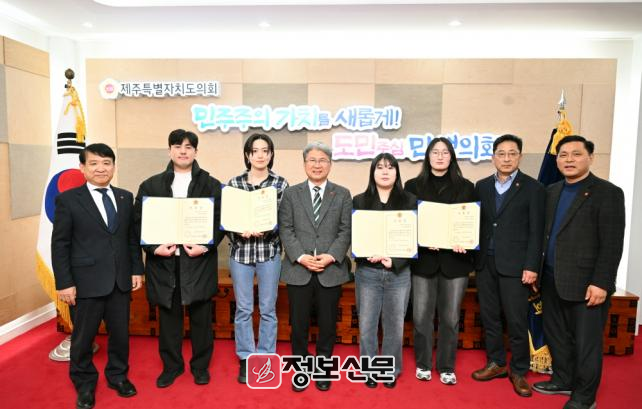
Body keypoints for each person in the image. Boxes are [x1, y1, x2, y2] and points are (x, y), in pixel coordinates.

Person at [533, 135, 625, 409]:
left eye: (576, 154)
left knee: (586, 344)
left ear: (590, 158)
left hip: (587, 284)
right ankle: (563, 379)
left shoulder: (607, 193)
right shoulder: (551, 191)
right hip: (550, 278)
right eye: (563, 155)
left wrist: (601, 282)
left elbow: (612, 243)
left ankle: (585, 397)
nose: (569, 160)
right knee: (556, 336)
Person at [52, 143, 144, 409]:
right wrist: (65, 283)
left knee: (120, 335)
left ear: (113, 166)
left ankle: (118, 376)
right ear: (82, 168)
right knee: (83, 338)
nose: (100, 168)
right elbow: (60, 244)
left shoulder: (125, 197)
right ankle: (84, 384)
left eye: (106, 163)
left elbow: (131, 239)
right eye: (93, 163)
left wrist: (136, 269)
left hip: (120, 281)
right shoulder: (68, 200)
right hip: (85, 283)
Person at [134, 129, 223, 388]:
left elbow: (220, 222)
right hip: (165, 263)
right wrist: (154, 248)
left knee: (201, 319)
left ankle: (200, 367)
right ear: (169, 150)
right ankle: (171, 367)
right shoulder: (151, 185)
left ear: (196, 151)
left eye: (188, 147)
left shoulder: (211, 184)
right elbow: (139, 223)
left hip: (198, 262)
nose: (183, 151)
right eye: (177, 146)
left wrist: (205, 246)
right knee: (169, 320)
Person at [472, 134, 545, 397]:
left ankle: (519, 370)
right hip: (485, 263)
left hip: (516, 266)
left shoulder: (534, 188)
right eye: (501, 154)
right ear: (493, 157)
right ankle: (497, 363)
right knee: (490, 317)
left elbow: (537, 231)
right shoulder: (481, 186)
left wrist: (532, 266)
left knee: (516, 320)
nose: (506, 158)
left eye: (512, 153)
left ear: (520, 157)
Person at [279, 141, 352, 392]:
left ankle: (322, 368)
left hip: (330, 270)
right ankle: (300, 368)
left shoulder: (342, 194)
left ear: (330, 164)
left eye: (322, 160)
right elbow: (286, 229)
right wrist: (300, 256)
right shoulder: (291, 194)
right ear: (304, 164)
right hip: (298, 269)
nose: (317, 165)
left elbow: (345, 230)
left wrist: (331, 256)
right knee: (298, 325)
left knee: (328, 324)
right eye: (312, 160)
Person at [404, 137, 476, 386]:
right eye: (435, 152)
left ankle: (446, 366)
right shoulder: (412, 185)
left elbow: (470, 223)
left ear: (452, 157)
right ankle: (423, 364)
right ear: (428, 156)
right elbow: (407, 223)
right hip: (424, 261)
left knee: (450, 318)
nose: (440, 156)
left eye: (445, 152)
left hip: (455, 262)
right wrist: (422, 240)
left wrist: (465, 241)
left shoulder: (466, 186)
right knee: (421, 317)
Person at [226, 133, 289, 383]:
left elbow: (285, 219)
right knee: (243, 308)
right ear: (248, 155)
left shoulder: (280, 183)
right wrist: (237, 229)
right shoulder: (234, 183)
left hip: (268, 252)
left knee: (267, 308)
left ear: (271, 155)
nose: (260, 155)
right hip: (241, 252)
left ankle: (264, 356)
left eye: (265, 151)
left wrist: (268, 228)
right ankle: (245, 356)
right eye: (255, 151)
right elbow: (227, 219)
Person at [352, 153, 416, 389]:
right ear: (373, 172)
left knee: (394, 326)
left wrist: (395, 260)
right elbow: (355, 237)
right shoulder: (359, 201)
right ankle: (369, 368)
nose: (385, 171)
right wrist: (366, 254)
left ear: (397, 172)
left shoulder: (409, 201)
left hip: (398, 273)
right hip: (368, 272)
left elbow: (414, 238)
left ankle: (390, 369)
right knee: (367, 325)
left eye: (390, 167)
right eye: (379, 167)